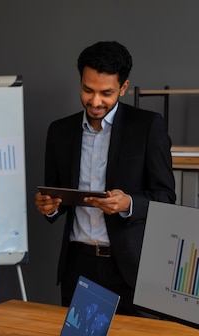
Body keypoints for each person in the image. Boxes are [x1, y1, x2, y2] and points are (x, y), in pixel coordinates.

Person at [35, 41, 175, 315]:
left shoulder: (148, 127)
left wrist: (128, 204)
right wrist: (49, 207)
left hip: (130, 271)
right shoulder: (60, 132)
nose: (95, 101)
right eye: (88, 90)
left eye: (106, 93)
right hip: (78, 266)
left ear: (123, 88)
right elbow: (55, 198)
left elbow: (166, 198)